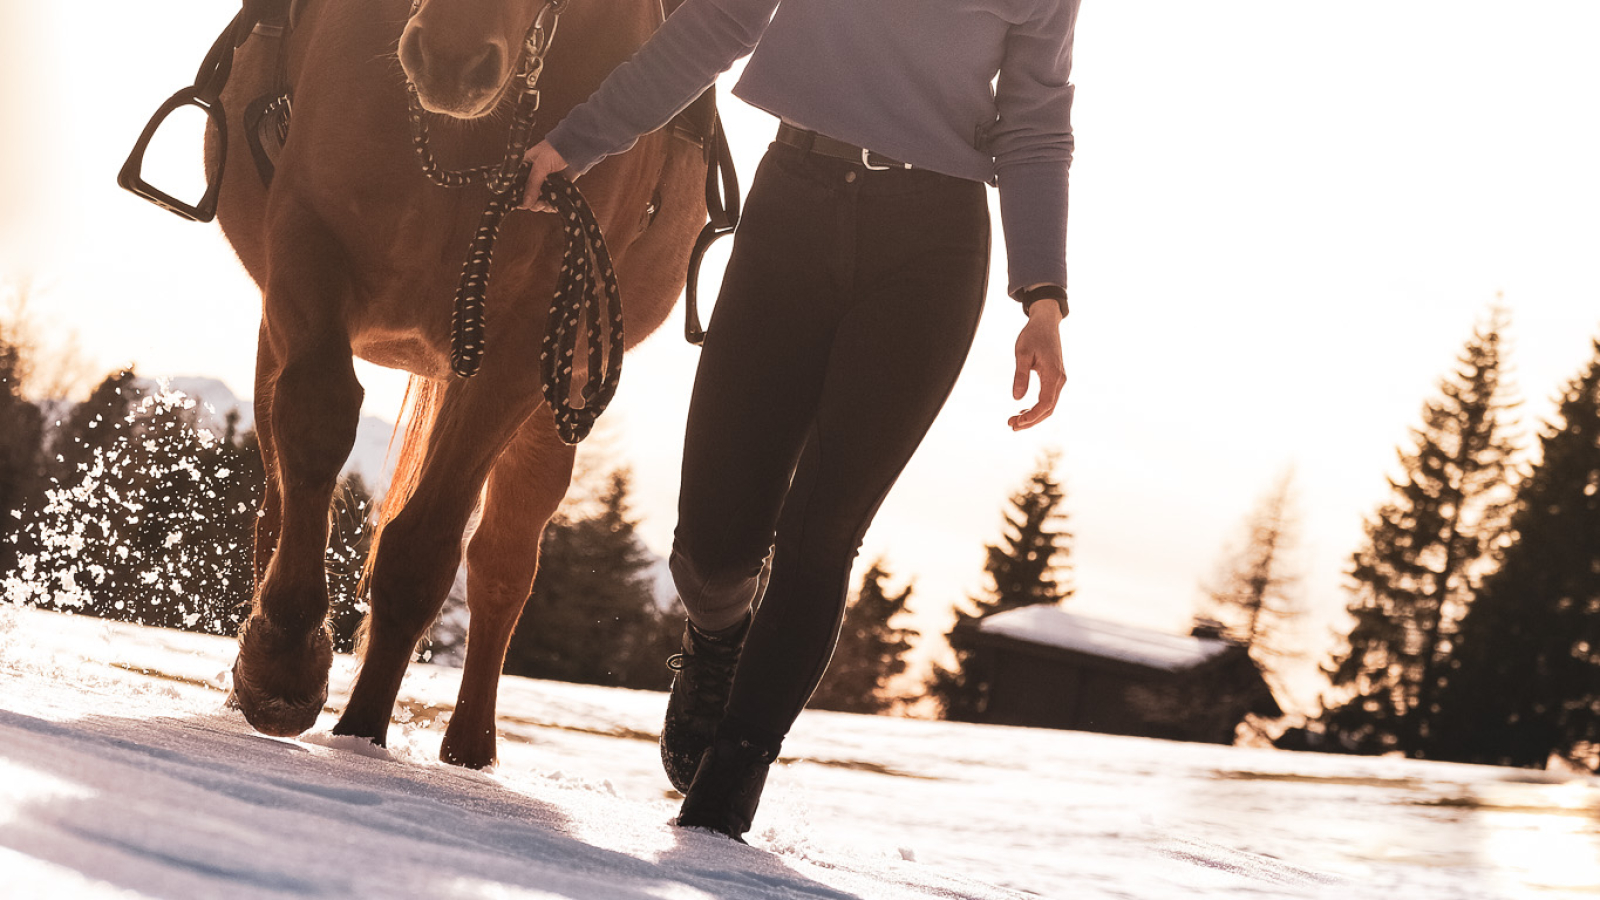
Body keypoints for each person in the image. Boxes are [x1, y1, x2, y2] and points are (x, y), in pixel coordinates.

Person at [519, 0, 1079, 841]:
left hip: (933, 249)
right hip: (794, 208)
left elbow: (1035, 121)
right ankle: (716, 643)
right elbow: (717, 25)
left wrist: (1042, 299)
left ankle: (733, 776)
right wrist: (578, 139)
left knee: (823, 532)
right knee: (710, 545)